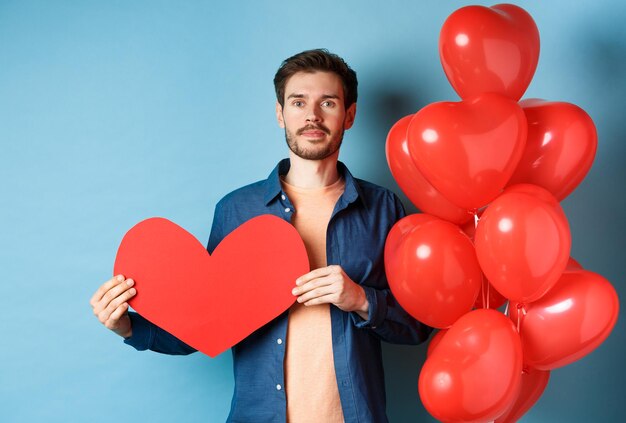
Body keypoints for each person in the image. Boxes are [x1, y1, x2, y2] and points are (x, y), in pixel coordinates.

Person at [90, 49, 432, 423]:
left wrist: (360, 299)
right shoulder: (236, 210)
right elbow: (202, 325)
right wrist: (128, 327)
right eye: (298, 102)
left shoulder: (383, 209)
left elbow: (416, 326)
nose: (312, 116)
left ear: (349, 115)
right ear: (280, 113)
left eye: (328, 102)